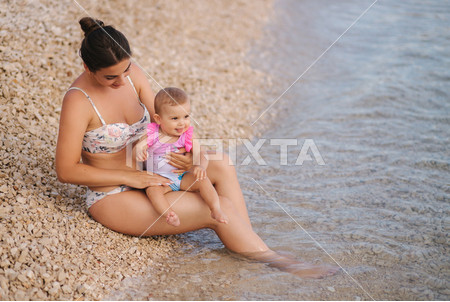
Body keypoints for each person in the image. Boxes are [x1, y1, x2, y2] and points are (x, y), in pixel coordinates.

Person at [55, 16, 338, 278]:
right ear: (87, 67)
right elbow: (66, 171)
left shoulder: (133, 75)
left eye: (125, 70)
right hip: (115, 196)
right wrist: (129, 177)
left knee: (222, 164)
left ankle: (245, 242)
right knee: (214, 208)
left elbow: (167, 122)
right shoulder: (78, 101)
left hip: (155, 170)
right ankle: (276, 262)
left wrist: (190, 157)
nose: (120, 81)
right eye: (110, 77)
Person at [135, 87, 228, 227]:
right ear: (159, 119)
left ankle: (215, 208)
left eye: (186, 116)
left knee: (203, 180)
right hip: (161, 180)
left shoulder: (187, 135)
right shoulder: (153, 133)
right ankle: (169, 214)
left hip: (182, 177)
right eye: (174, 118)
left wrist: (200, 166)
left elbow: (200, 153)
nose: (182, 123)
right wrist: (139, 151)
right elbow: (138, 146)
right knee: (152, 191)